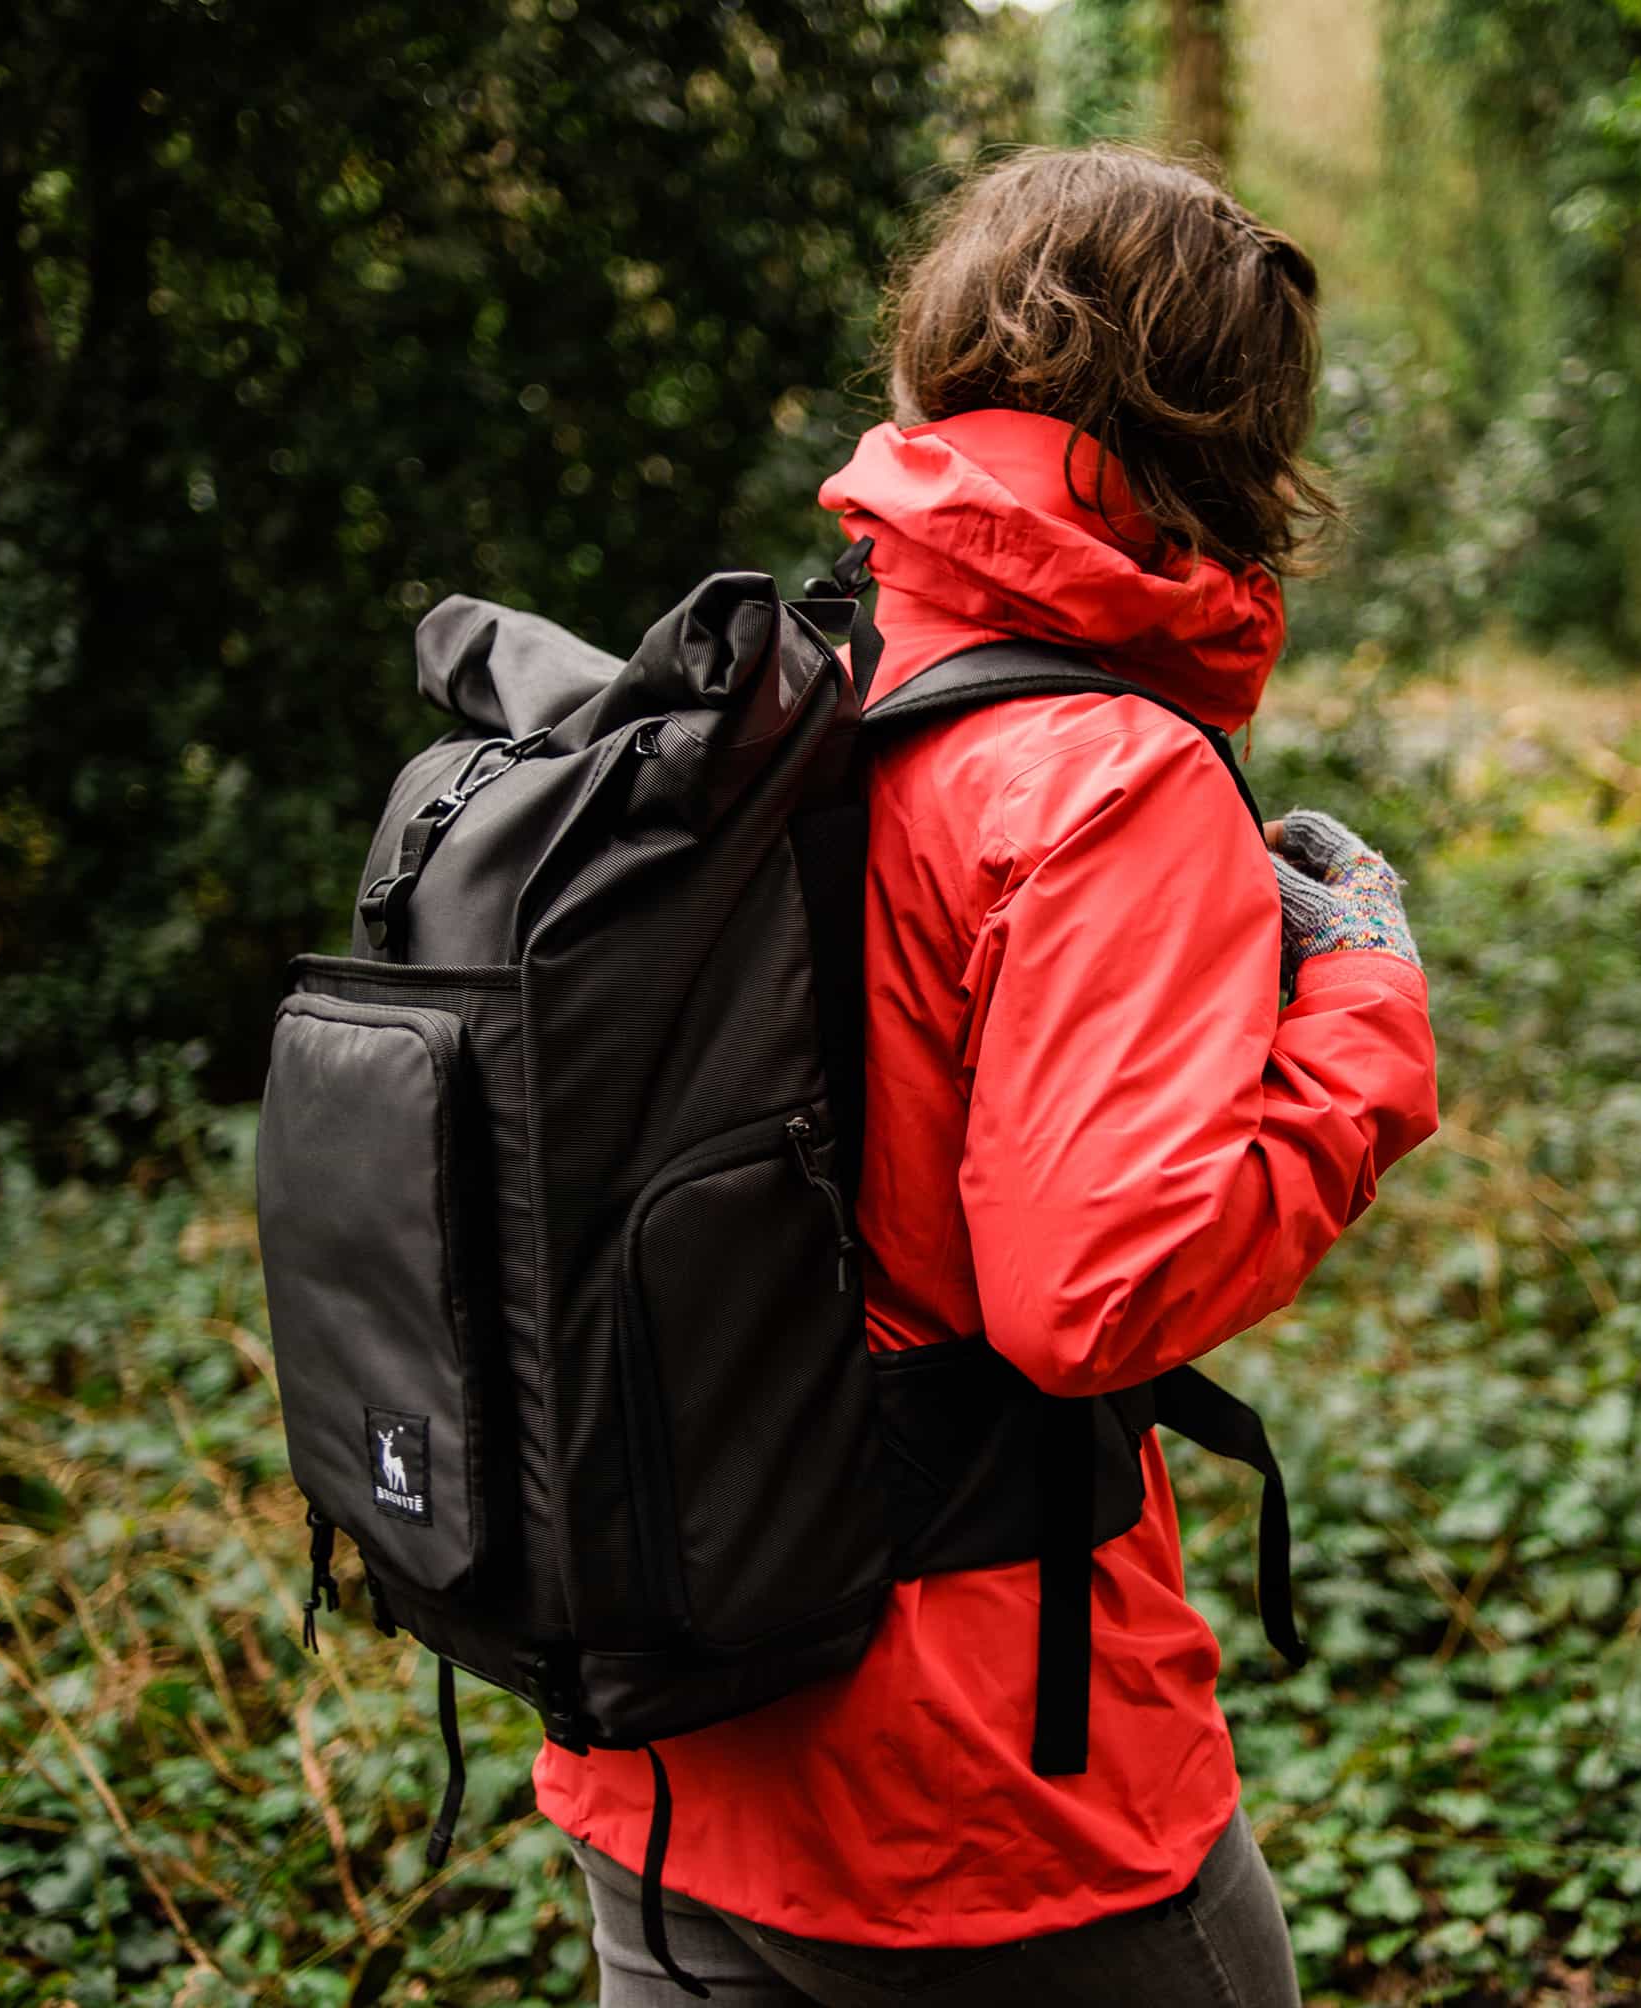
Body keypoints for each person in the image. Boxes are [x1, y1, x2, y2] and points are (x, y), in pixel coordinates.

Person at [535, 143, 1441, 2006]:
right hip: (988, 1810)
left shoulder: (801, 698)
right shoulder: (1105, 774)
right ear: (1227, 437)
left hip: (669, 1752)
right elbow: (1090, 1288)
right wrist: (1359, 1011)